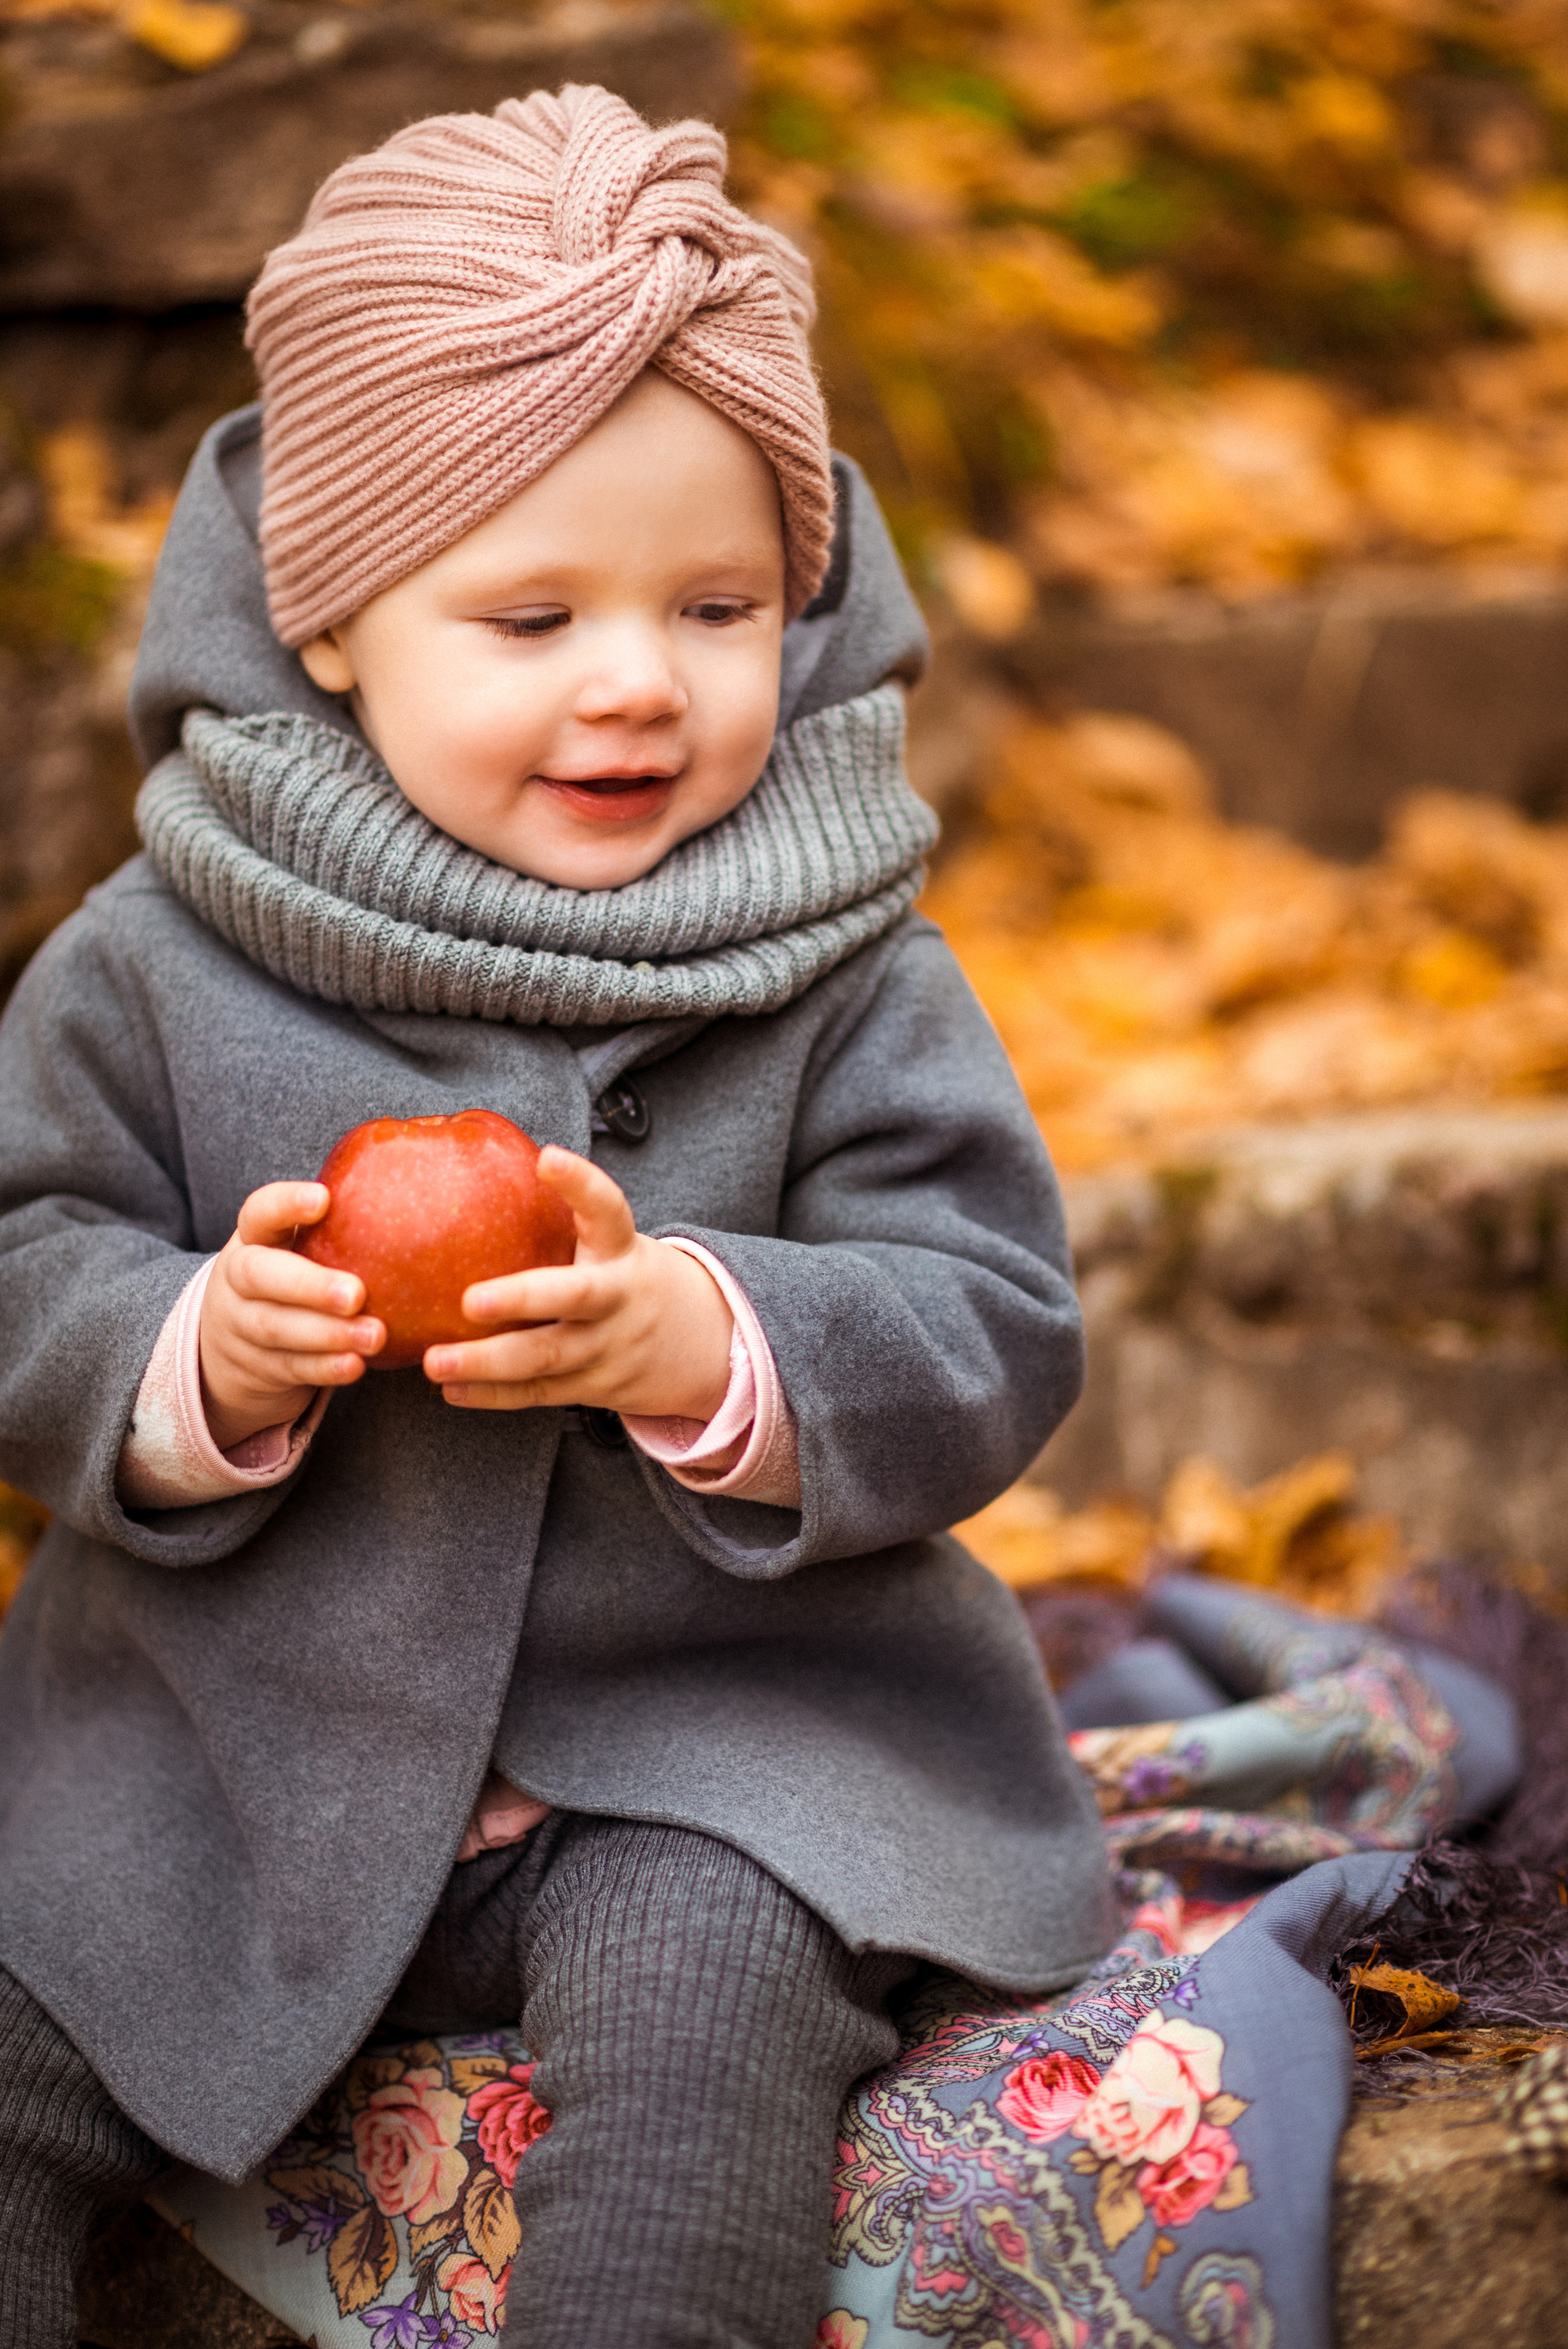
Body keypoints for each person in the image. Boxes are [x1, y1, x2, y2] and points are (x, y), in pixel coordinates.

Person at [0, 84, 1112, 2348]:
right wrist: (184, 1360)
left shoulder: (848, 960)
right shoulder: (159, 951)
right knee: (19, 2004)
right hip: (218, 1758)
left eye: (719, 605)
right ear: (327, 624)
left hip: (716, 1750)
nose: (638, 680)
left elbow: (992, 1312)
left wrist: (711, 1344)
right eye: (531, 614)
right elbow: (28, 1249)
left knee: (710, 1999)